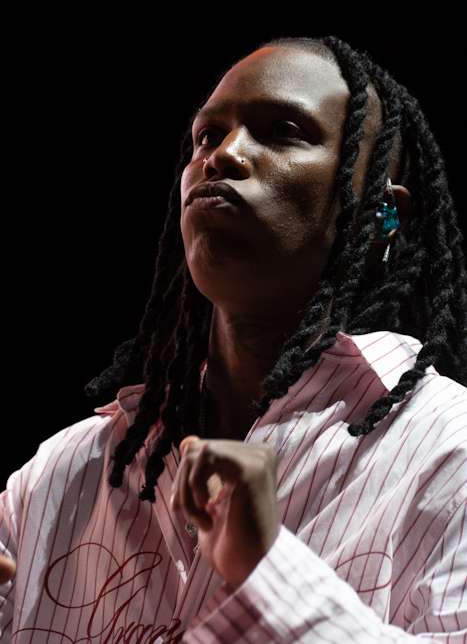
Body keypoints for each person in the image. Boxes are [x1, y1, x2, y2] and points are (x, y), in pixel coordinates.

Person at [1, 35, 466, 643]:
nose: (222, 155)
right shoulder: (63, 472)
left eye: (283, 131)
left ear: (379, 211)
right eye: (207, 136)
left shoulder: (450, 450)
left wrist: (267, 571)